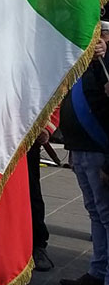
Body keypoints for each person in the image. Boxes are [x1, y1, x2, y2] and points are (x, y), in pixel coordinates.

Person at [58, 20, 109, 285]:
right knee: (95, 212)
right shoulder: (82, 62)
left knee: (106, 215)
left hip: (98, 150)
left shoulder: (103, 63)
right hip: (79, 148)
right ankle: (97, 272)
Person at [29, 109, 60, 272]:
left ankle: (38, 245)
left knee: (31, 192)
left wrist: (46, 127)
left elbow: (51, 92)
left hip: (26, 135)